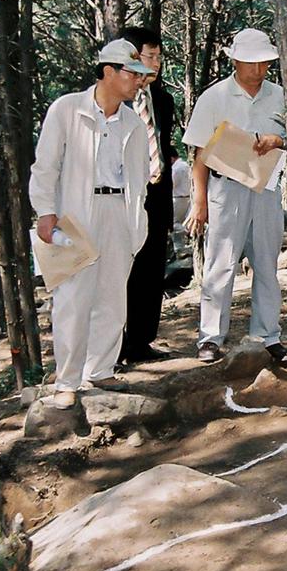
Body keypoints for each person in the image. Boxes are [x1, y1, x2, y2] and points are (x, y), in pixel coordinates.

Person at [29, 40, 155, 409]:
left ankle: (99, 369)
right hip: (75, 213)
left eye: (140, 76)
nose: (137, 82)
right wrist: (45, 211)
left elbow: (140, 174)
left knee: (112, 295)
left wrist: (137, 218)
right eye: (131, 74)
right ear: (108, 72)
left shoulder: (132, 121)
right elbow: (46, 165)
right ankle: (66, 379)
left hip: (119, 209)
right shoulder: (67, 109)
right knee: (72, 297)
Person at [183, 29, 287, 364]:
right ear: (235, 60)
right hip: (226, 187)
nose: (258, 70)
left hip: (267, 186)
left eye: (264, 63)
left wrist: (277, 140)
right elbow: (199, 152)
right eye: (251, 62)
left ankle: (267, 334)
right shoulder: (214, 97)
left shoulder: (280, 96)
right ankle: (211, 337)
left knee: (267, 262)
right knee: (221, 262)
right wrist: (199, 201)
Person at [117, 26, 176, 365]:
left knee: (151, 269)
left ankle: (141, 341)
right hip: (122, 197)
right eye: (149, 56)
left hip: (156, 195)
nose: (155, 63)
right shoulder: (115, 101)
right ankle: (113, 346)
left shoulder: (163, 100)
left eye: (158, 57)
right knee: (120, 271)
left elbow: (165, 149)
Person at [170, 148, 191, 253]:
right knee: (180, 222)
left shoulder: (176, 168)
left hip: (178, 199)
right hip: (188, 197)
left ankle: (188, 231)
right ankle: (180, 247)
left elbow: (172, 184)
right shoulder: (186, 165)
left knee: (173, 223)